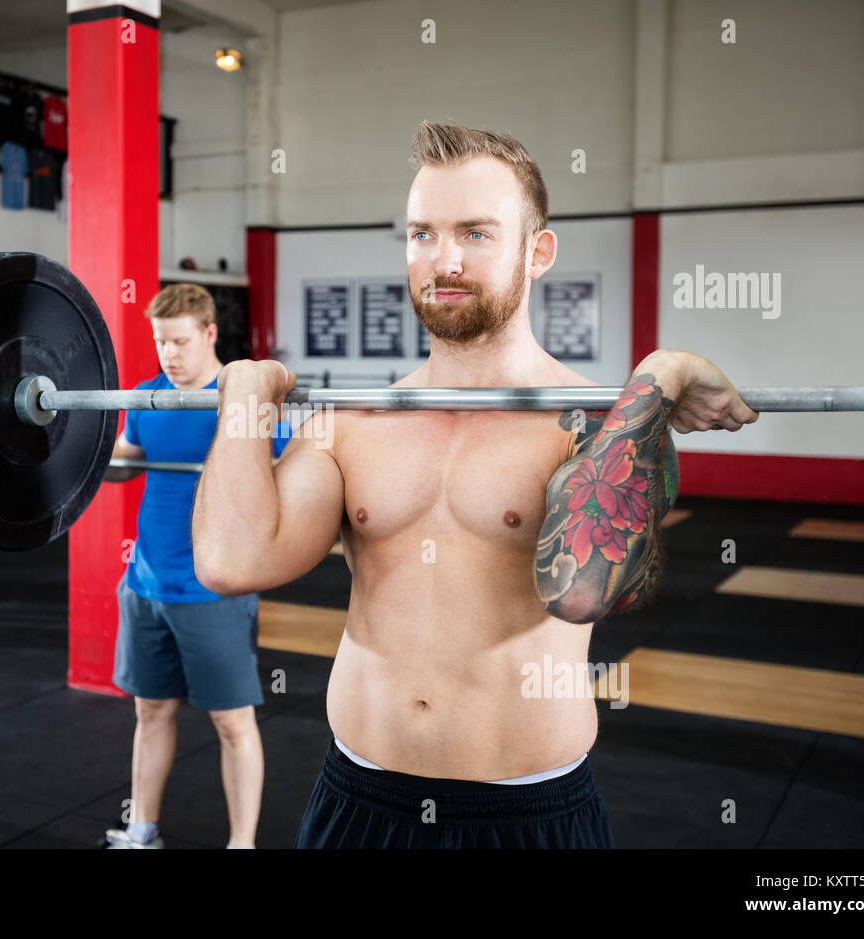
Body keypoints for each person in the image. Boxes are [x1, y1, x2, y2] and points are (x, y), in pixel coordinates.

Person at [192, 121, 759, 848]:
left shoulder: (589, 423)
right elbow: (232, 560)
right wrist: (243, 395)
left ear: (538, 251)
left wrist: (661, 373)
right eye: (422, 233)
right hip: (357, 802)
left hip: (526, 814)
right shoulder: (354, 421)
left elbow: (587, 589)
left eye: (476, 234)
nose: (444, 258)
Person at [104, 284, 290, 849]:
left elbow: (278, 474)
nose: (169, 354)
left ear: (210, 333)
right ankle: (141, 830)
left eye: (180, 341)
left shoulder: (244, 401)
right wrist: (71, 446)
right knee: (151, 710)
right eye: (161, 341)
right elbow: (119, 468)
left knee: (232, 723)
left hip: (216, 587)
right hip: (146, 584)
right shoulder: (145, 396)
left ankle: (241, 844)